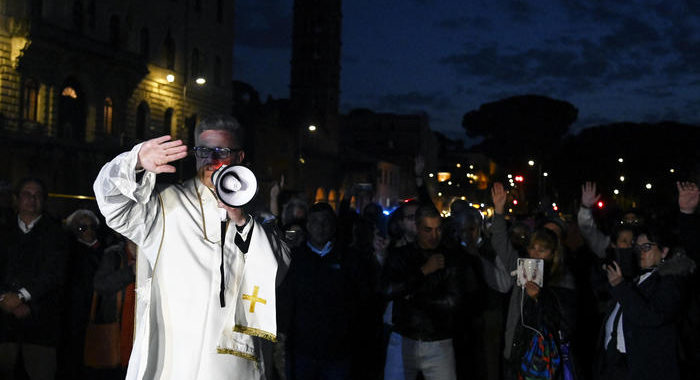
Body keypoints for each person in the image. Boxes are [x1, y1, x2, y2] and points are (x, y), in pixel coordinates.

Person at [93, 115, 290, 380]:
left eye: (221, 151)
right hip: (175, 355)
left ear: (240, 156)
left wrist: (240, 219)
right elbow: (112, 205)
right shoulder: (167, 204)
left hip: (231, 359)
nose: (211, 160)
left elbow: (276, 273)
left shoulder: (256, 214)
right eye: (203, 151)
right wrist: (135, 160)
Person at [490, 182, 577, 380]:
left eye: (542, 249)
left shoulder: (563, 277)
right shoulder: (523, 267)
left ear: (553, 253)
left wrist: (540, 297)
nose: (534, 253)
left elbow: (565, 320)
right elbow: (500, 242)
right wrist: (499, 210)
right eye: (532, 247)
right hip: (516, 348)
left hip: (544, 355)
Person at [280, 202, 375, 380]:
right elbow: (285, 300)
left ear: (333, 225)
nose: (320, 227)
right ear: (308, 225)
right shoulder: (295, 259)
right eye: (315, 221)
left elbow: (362, 300)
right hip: (301, 349)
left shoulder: (349, 259)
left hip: (338, 351)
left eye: (325, 221)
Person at [597, 224, 695, 380]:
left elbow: (652, 316)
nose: (641, 252)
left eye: (647, 247)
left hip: (646, 368)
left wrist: (620, 286)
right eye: (638, 248)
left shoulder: (671, 280)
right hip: (618, 362)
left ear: (664, 251)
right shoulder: (637, 277)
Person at [382, 203, 462, 380]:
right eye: (428, 230)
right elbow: (388, 290)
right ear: (417, 228)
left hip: (438, 340)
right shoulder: (401, 255)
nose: (434, 236)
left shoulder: (450, 258)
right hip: (405, 336)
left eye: (438, 229)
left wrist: (413, 296)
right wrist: (423, 271)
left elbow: (453, 302)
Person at [0, 178, 68, 380]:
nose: (32, 199)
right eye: (27, 194)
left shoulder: (57, 235)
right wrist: (4, 298)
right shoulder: (4, 231)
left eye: (37, 195)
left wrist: (22, 297)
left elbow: (55, 275)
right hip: (4, 324)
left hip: (41, 325)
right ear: (16, 199)